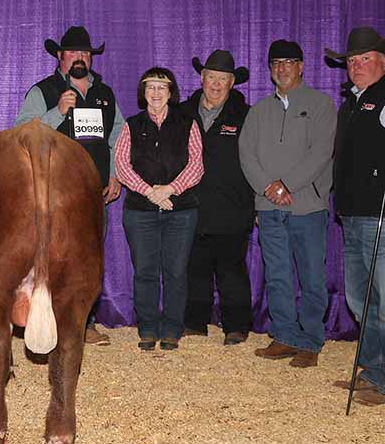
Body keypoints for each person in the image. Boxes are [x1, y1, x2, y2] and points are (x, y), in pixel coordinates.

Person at [15, 25, 124, 345]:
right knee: (49, 256)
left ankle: (83, 323)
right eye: (74, 52)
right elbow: (21, 132)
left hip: (94, 191)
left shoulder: (105, 94)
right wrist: (56, 112)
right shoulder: (43, 91)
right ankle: (45, 319)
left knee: (88, 259)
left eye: (86, 53)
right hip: (52, 192)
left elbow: (118, 136)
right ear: (60, 57)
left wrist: (116, 172)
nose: (80, 58)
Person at [240, 40, 336, 368]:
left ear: (301, 66)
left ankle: (310, 340)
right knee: (277, 275)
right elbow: (246, 154)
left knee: (311, 275)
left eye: (289, 62)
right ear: (269, 69)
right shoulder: (258, 111)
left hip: (308, 207)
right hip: (269, 208)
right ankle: (283, 334)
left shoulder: (321, 104)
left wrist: (286, 184)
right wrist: (268, 188)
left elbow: (322, 153)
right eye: (276, 63)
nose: (282, 68)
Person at [115, 67, 203, 350]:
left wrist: (170, 190)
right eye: (150, 87)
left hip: (181, 210)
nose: (155, 93)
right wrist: (150, 192)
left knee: (176, 271)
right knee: (145, 271)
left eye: (161, 88)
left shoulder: (188, 123)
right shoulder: (131, 125)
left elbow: (196, 165)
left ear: (170, 92)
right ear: (143, 92)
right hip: (141, 211)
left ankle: (172, 329)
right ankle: (148, 328)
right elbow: (121, 165)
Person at [179, 50, 255, 345]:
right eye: (211, 77)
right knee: (193, 268)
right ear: (201, 78)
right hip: (191, 205)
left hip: (232, 205)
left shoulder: (245, 116)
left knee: (231, 269)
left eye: (223, 79)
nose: (216, 84)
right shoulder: (183, 114)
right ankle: (194, 323)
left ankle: (236, 326)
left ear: (232, 82)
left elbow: (256, 159)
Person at [328, 26, 385, 406]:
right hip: (352, 213)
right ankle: (371, 367)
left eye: (365, 59)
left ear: (382, 62)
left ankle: (382, 378)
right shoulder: (351, 102)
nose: (356, 65)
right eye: (351, 60)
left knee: (382, 297)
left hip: (378, 214)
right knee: (361, 298)